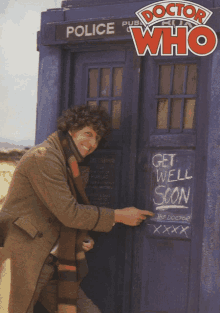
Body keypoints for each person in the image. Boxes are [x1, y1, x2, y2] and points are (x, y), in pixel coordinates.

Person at [0, 105, 154, 313]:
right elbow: (69, 213)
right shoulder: (44, 157)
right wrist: (118, 216)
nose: (92, 143)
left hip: (54, 259)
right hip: (24, 258)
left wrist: (79, 238)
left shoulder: (67, 162)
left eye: (97, 138)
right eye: (88, 134)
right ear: (71, 130)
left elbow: (58, 215)